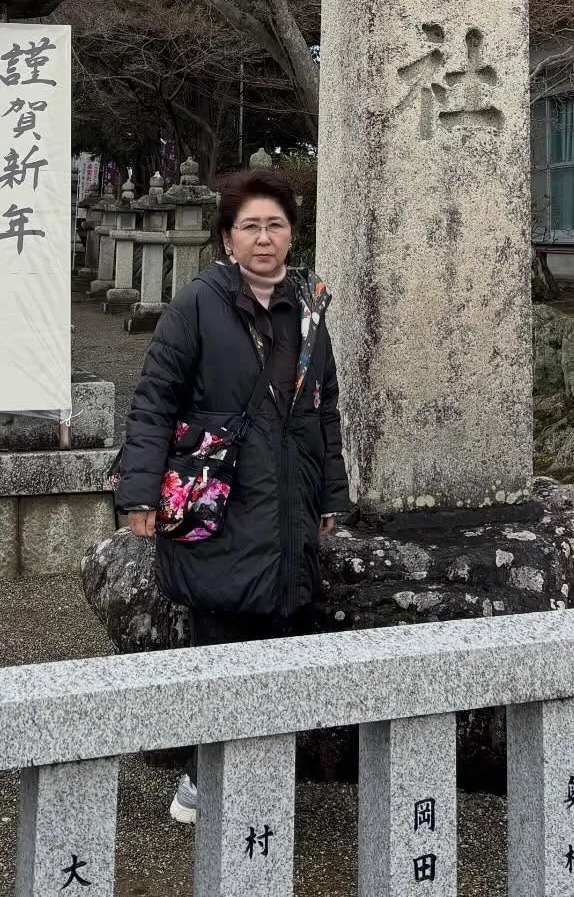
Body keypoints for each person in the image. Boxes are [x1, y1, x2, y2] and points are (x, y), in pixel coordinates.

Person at [111, 165, 350, 824]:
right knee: (222, 640)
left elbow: (324, 410)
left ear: (292, 236)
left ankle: (264, 781)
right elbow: (154, 399)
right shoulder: (197, 304)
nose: (264, 238)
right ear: (226, 240)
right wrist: (138, 493)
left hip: (290, 499)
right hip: (219, 496)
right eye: (250, 226)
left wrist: (333, 498)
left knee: (285, 635)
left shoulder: (310, 307)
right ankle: (203, 774)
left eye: (275, 225)